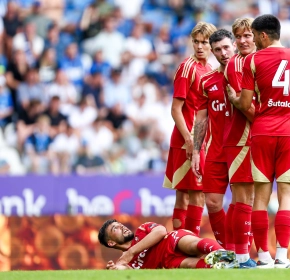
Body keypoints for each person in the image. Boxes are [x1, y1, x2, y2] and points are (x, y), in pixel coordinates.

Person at [227, 14, 290, 269]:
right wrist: (286, 102)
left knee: (261, 199)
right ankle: (283, 258)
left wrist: (236, 100)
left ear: (263, 35)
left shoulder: (252, 60)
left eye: (253, 35)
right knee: (286, 197)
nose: (252, 40)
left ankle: (263, 257)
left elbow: (245, 104)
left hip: (262, 133)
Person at [163, 22, 217, 236]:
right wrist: (188, 139)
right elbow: (176, 109)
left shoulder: (209, 69)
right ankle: (187, 243)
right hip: (188, 138)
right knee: (192, 193)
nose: (200, 46)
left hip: (200, 138)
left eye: (204, 42)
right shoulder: (187, 67)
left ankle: (181, 242)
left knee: (189, 193)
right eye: (196, 42)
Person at [191, 29, 237, 248]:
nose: (223, 53)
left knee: (243, 203)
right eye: (217, 49)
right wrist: (196, 152)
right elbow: (201, 119)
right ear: (212, 52)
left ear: (234, 46)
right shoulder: (207, 81)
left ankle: (244, 252)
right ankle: (230, 251)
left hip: (242, 149)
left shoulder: (248, 74)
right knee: (212, 202)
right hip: (216, 150)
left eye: (226, 47)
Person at [223, 18, 257, 268]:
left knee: (245, 198)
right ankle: (242, 257)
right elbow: (245, 106)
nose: (243, 40)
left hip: (253, 137)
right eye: (239, 36)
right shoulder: (236, 64)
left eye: (248, 35)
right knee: (243, 197)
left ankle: (236, 254)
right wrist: (272, 122)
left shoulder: (258, 61)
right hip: (240, 139)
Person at [98, 219, 238, 269]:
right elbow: (125, 270)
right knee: (189, 264)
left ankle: (224, 254)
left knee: (191, 246)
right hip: (167, 262)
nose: (121, 226)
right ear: (111, 242)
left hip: (171, 241)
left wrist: (131, 252)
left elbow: (161, 231)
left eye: (120, 224)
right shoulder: (124, 261)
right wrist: (115, 269)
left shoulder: (142, 229)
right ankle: (226, 266)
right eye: (115, 228)